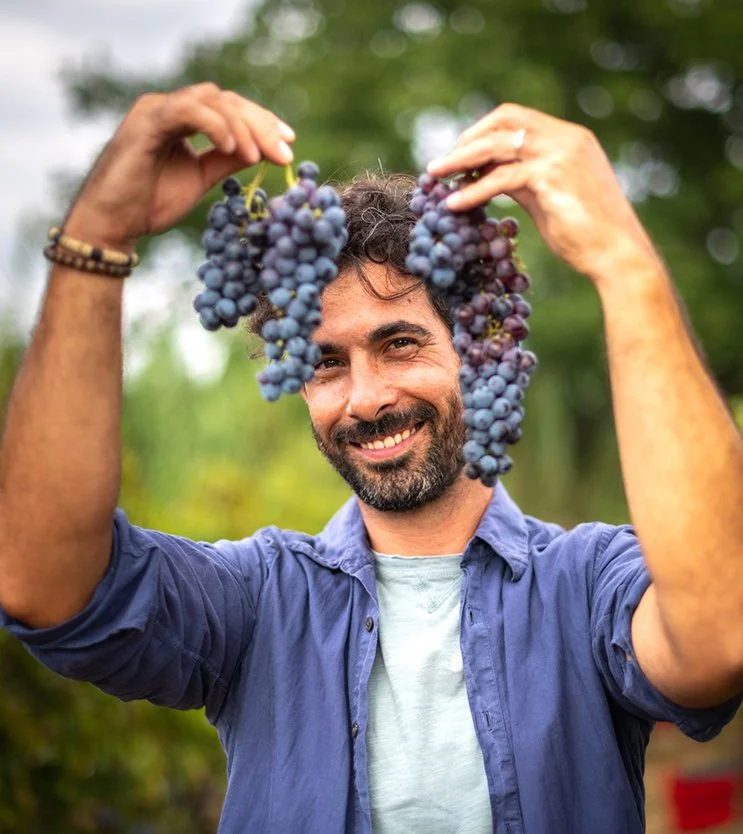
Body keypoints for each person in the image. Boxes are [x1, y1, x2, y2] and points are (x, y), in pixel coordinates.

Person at [0, 83, 741, 834]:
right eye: (325, 364)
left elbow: (718, 636)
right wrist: (98, 238)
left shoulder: (585, 588)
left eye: (399, 343)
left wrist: (624, 265)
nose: (365, 397)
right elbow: (43, 582)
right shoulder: (258, 603)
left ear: (480, 353)